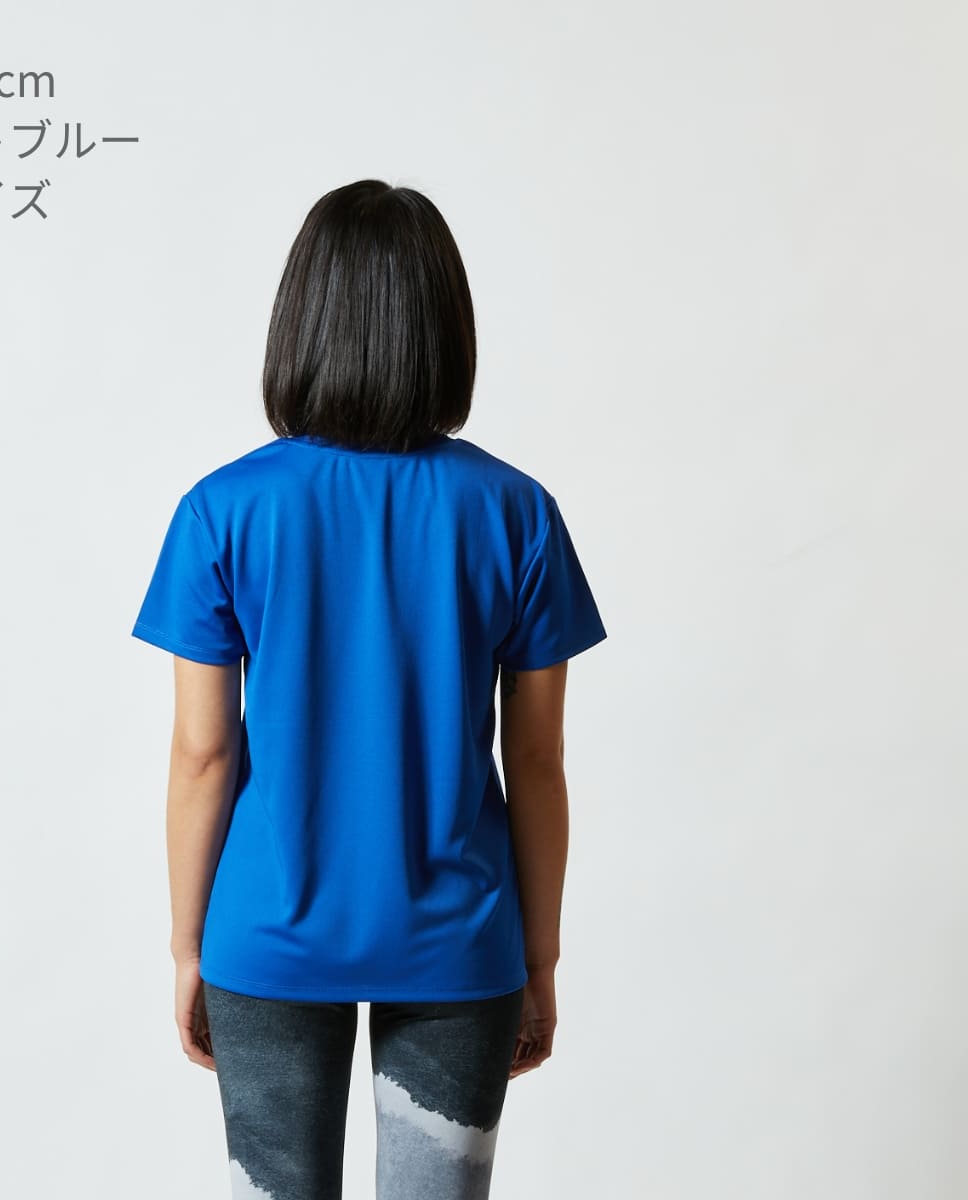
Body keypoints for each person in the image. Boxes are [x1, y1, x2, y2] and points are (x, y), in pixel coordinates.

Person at [130, 179, 608, 1199]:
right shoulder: (516, 513)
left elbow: (203, 754)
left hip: (266, 932)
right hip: (460, 938)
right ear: (446, 329)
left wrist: (186, 947)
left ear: (299, 322)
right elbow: (536, 759)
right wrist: (540, 958)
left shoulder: (221, 512)